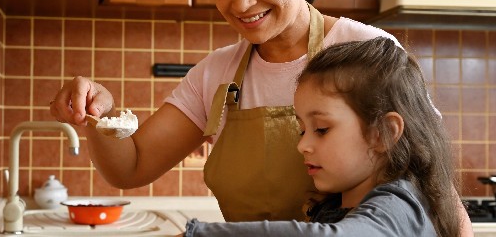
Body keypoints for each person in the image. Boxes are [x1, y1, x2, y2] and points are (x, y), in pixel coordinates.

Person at [50, 0, 471, 234]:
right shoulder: (214, 74)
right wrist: (98, 119)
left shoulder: (363, 51)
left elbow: (433, 183)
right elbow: (133, 166)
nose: (241, 3)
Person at [182, 37, 460, 236]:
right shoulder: (335, 206)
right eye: (302, 130)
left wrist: (201, 234)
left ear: (383, 133)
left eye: (322, 130)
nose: (302, 145)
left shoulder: (399, 205)